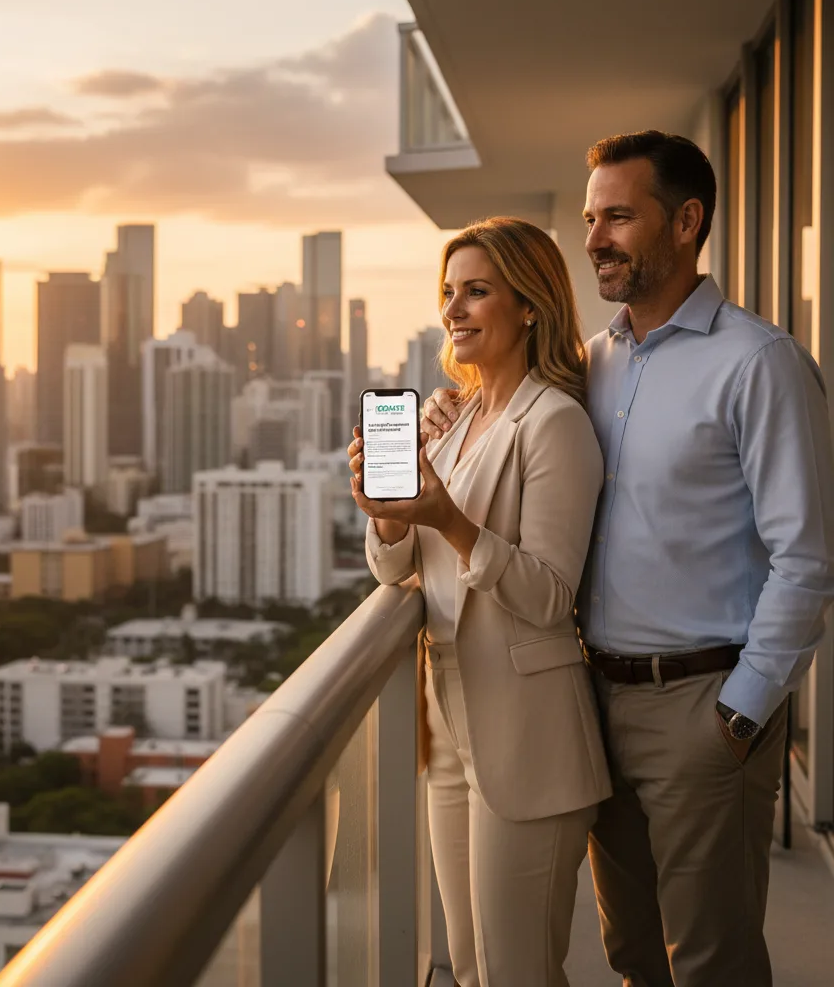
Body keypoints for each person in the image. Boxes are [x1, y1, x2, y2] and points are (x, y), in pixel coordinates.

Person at [421, 131, 834, 987]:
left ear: (687, 222)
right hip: (593, 697)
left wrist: (742, 713)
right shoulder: (590, 366)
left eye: (618, 216)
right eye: (587, 217)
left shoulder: (758, 364)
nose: (595, 238)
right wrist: (447, 421)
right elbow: (517, 436)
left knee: (710, 961)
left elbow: (807, 558)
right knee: (633, 954)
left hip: (702, 704)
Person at [348, 217, 611, 987]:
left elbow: (551, 594)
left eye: (476, 292)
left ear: (529, 305)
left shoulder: (555, 423)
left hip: (526, 737)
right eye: (447, 293)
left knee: (516, 973)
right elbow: (395, 569)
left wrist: (451, 522)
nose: (453, 310)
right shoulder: (453, 420)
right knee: (468, 968)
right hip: (449, 730)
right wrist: (390, 513)